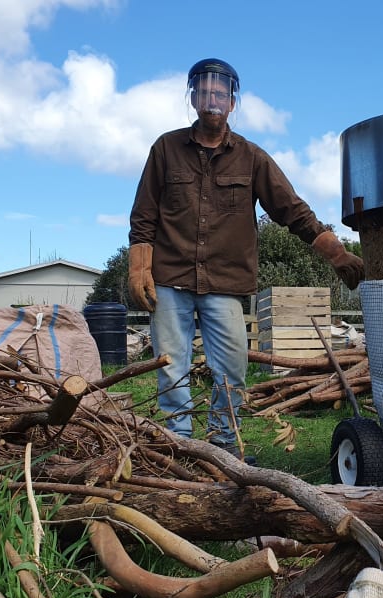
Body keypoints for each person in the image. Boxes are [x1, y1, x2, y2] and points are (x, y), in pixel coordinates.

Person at [128, 58, 364, 461]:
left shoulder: (252, 158)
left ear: (232, 102)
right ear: (193, 97)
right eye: (204, 91)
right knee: (171, 366)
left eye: (220, 93)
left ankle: (222, 447)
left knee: (232, 367)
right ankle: (180, 448)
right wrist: (139, 265)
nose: (212, 99)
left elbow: (291, 209)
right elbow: (144, 213)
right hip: (170, 278)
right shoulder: (165, 149)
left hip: (225, 281)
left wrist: (336, 252)